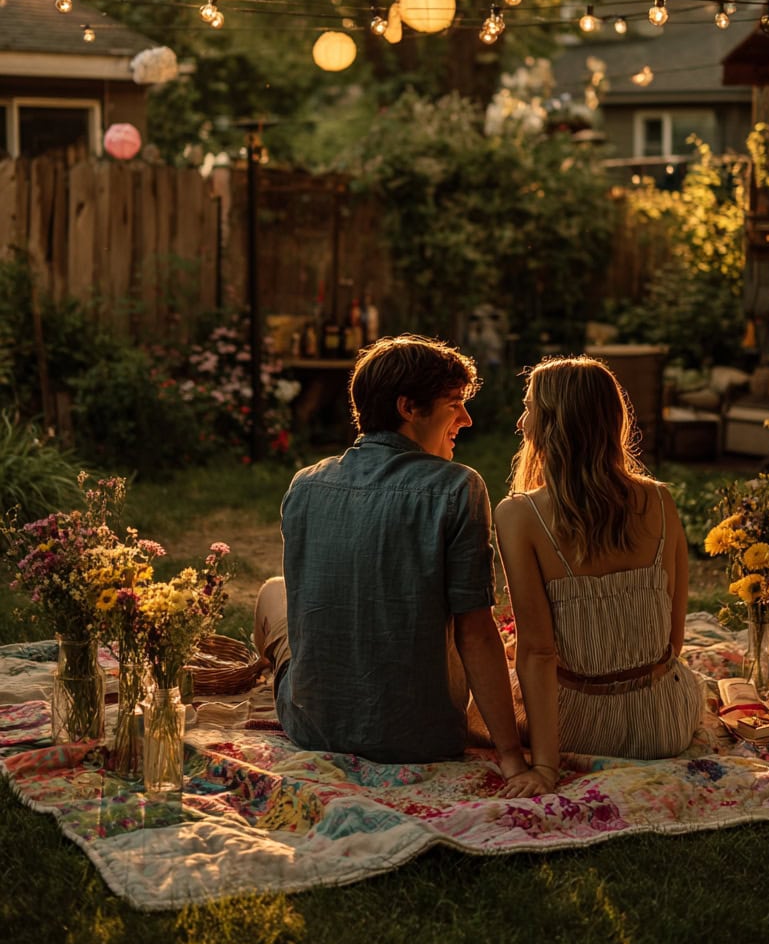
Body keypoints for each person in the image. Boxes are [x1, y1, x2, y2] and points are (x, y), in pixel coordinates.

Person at [253, 333, 528, 777]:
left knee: (273, 592)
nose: (468, 418)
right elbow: (475, 631)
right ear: (408, 408)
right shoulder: (458, 487)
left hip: (313, 726)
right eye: (454, 403)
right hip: (422, 736)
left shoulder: (305, 484)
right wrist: (511, 757)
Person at [494, 355, 705, 798]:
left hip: (577, 728)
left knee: (483, 702)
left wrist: (546, 767)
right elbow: (675, 640)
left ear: (551, 424)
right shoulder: (661, 501)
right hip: (664, 723)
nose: (522, 420)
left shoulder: (519, 515)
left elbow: (537, 652)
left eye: (529, 408)